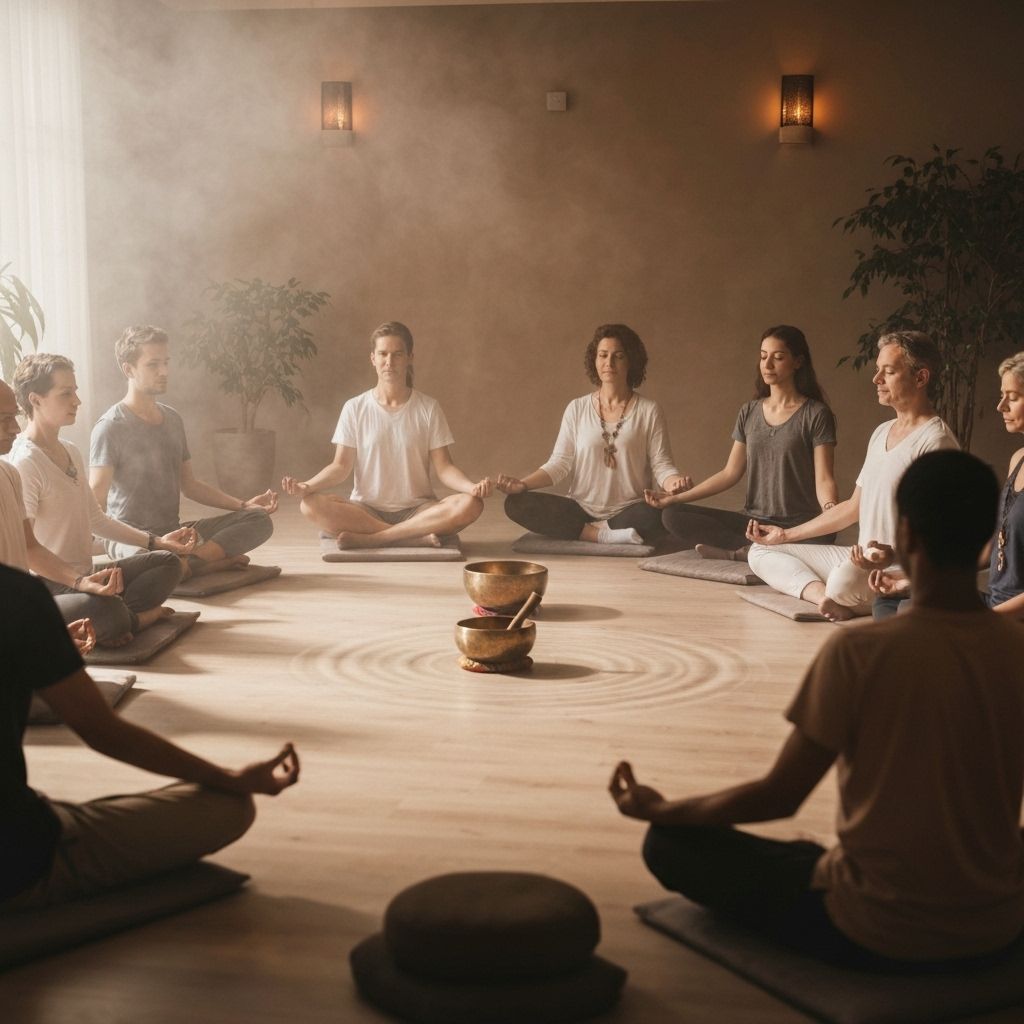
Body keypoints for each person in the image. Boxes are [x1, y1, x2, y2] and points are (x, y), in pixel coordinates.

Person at [610, 449, 1024, 970]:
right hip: (998, 925)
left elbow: (779, 795)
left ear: (908, 536)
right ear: (986, 539)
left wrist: (661, 809)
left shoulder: (861, 652)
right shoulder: (1015, 651)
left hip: (872, 928)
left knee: (668, 845)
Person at [0, 560, 300, 911]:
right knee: (228, 807)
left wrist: (47, 646)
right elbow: (104, 732)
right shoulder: (15, 596)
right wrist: (229, 778)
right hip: (16, 861)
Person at [745, 331, 958, 620]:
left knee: (841, 582)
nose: (876, 379)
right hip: (859, 557)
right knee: (760, 552)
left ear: (921, 378)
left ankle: (855, 597)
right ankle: (827, 600)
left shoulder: (936, 442)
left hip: (895, 567)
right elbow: (853, 507)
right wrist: (784, 535)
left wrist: (893, 558)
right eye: (877, 370)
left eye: (889, 372)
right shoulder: (881, 432)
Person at [9, 354, 197, 646]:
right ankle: (133, 619)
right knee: (107, 611)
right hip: (50, 587)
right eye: (66, 393)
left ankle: (112, 622)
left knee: (167, 562)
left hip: (84, 577)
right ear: (35, 400)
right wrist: (80, 583)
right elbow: (28, 550)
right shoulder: (25, 463)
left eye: (76, 391)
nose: (77, 401)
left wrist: (157, 542)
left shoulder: (70, 450)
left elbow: (97, 519)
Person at [281, 321, 490, 548]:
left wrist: (471, 487)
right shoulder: (355, 407)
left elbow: (445, 468)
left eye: (397, 355)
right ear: (373, 358)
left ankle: (377, 538)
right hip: (365, 510)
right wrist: (307, 486)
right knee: (309, 505)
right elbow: (340, 466)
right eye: (383, 354)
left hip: (420, 509)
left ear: (410, 357)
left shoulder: (428, 408)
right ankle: (413, 538)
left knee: (472, 504)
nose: (389, 362)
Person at [89, 325, 276, 578]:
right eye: (153, 365)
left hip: (174, 533)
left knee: (258, 520)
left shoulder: (173, 419)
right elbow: (94, 504)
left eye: (166, 362)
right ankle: (203, 563)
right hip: (135, 541)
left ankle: (189, 564)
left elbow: (190, 486)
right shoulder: (110, 427)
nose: (164, 371)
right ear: (128, 369)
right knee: (152, 562)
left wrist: (243, 505)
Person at [645, 326, 838, 561]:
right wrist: (674, 498)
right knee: (672, 516)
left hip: (797, 526)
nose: (767, 365)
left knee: (827, 534)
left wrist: (831, 511)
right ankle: (759, 550)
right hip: (753, 523)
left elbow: (824, 478)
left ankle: (751, 551)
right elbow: (730, 473)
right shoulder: (749, 411)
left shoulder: (816, 414)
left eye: (778, 358)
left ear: (798, 362)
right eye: (763, 356)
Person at [497, 324, 686, 546]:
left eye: (619, 356)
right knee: (516, 504)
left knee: (665, 513)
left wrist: (674, 483)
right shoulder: (576, 408)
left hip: (630, 510)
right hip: (580, 509)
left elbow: (662, 464)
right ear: (594, 360)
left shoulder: (649, 410)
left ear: (631, 361)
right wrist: (523, 485)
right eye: (603, 355)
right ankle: (598, 534)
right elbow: (560, 464)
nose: (609, 363)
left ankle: (590, 532)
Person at [872, 351, 1024, 619]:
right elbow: (996, 545)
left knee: (911, 615)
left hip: (1010, 616)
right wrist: (915, 581)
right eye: (1002, 396)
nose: (1001, 406)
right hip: (992, 603)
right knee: (888, 602)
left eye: (1013, 398)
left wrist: (989, 620)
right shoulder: (1018, 459)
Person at [0, 379, 127, 655]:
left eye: (14, 418)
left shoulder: (8, 475)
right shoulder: (23, 463)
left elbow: (29, 547)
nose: (14, 428)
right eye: (4, 419)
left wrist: (82, 582)